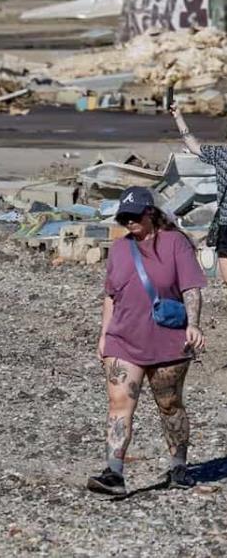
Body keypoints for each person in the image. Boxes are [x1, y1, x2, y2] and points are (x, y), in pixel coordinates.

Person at [87, 186, 206, 496]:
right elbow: (111, 296)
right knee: (119, 404)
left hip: (169, 341)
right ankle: (114, 473)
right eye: (124, 217)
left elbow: (192, 289)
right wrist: (104, 335)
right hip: (123, 339)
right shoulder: (120, 248)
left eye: (134, 216)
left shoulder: (176, 244)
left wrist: (193, 325)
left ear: (150, 213)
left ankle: (178, 466)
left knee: (169, 405)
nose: (129, 222)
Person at [170, 104, 227, 280]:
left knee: (224, 255)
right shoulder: (221, 154)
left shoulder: (222, 154)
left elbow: (193, 146)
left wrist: (178, 116)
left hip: (226, 221)